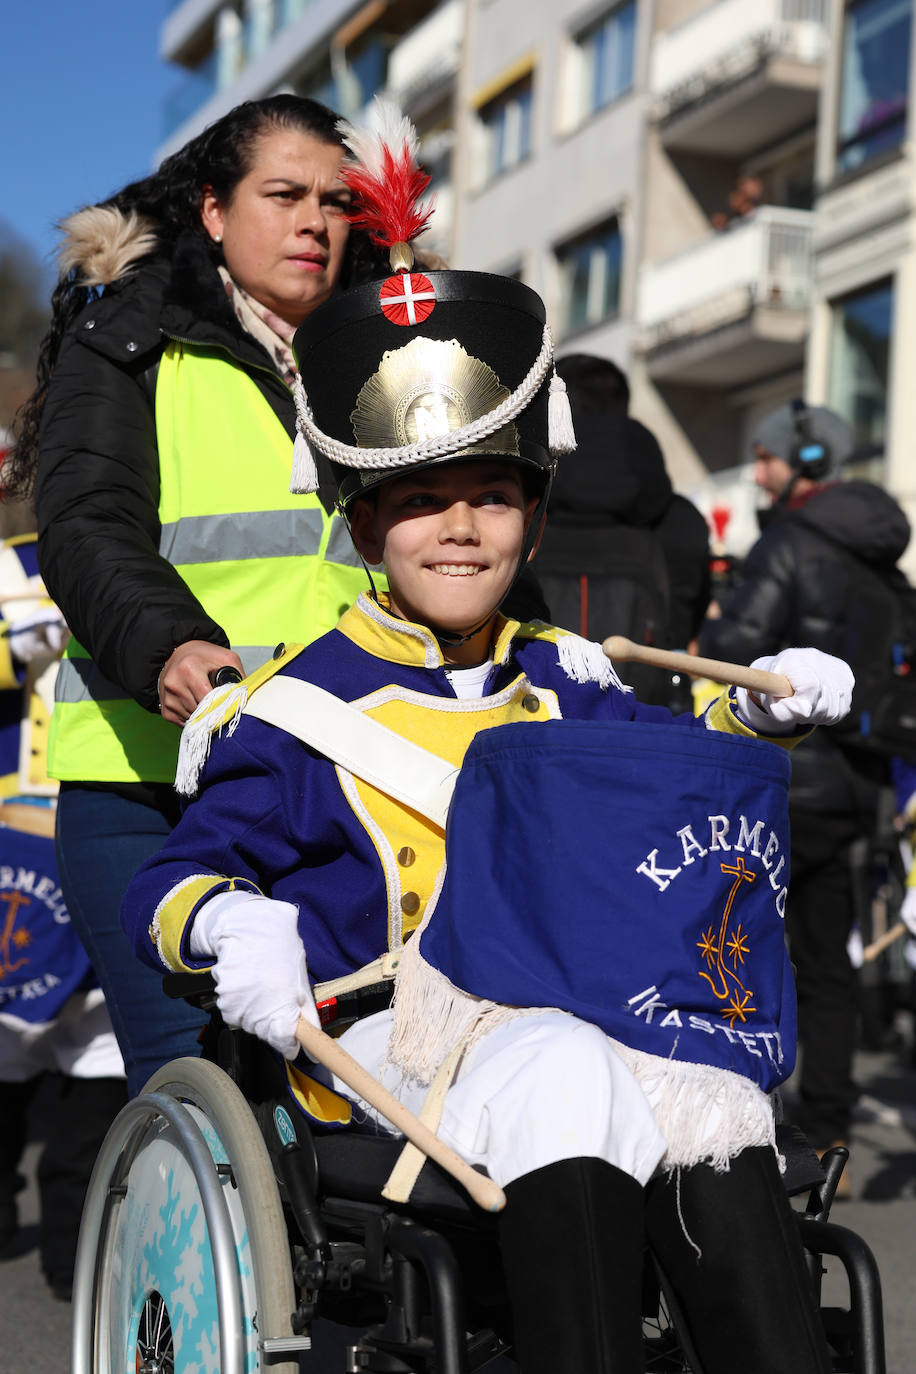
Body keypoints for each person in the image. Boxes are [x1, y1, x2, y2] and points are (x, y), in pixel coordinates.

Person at [119, 112, 848, 1372]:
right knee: (571, 1059)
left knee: (707, 1088)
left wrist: (753, 706)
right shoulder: (293, 713)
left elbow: (665, 781)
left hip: (588, 1038)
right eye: (416, 500)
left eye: (492, 496)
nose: (458, 529)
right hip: (397, 1064)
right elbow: (170, 882)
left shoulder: (570, 682)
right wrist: (229, 921)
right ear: (363, 526)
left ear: (534, 512)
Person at [6, 95, 396, 1098]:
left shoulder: (389, 361)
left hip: (352, 783)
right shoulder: (127, 343)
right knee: (202, 1094)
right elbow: (89, 525)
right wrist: (172, 646)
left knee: (357, 1093)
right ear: (213, 212)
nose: (314, 220)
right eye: (283, 194)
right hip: (153, 787)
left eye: (335, 199)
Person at [700, 399, 910, 1170]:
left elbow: (734, 650)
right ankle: (830, 1133)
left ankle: (753, 1132)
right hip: (857, 790)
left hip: (781, 783)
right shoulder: (884, 560)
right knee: (830, 964)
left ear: (808, 463)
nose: (757, 473)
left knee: (745, 951)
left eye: (768, 458)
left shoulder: (788, 545)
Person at [0, 530, 125, 1299]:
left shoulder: (146, 547)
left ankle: (75, 1251)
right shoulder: (12, 564)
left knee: (103, 1056)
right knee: (6, 1053)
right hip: (12, 841)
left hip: (116, 822)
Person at [534, 354, 710, 702]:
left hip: (529, 711)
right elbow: (687, 619)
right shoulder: (679, 518)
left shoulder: (517, 506)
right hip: (645, 720)